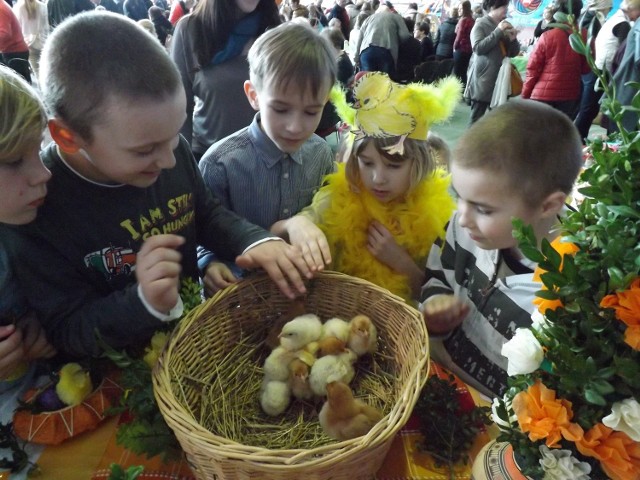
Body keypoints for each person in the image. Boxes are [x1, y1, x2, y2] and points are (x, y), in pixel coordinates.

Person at [0, 12, 312, 359]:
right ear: (68, 136)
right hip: (116, 378)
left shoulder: (169, 150)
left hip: (192, 343)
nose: (167, 160)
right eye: (144, 150)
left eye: (174, 134)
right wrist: (141, 301)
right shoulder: (38, 206)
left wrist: (254, 239)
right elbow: (66, 330)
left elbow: (204, 212)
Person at [421, 100, 583, 398]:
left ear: (548, 205)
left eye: (483, 209)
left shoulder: (574, 287)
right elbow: (438, 278)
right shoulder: (464, 226)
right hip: (443, 378)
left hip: (504, 421)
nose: (463, 216)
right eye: (460, 196)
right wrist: (433, 312)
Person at [272, 73, 461, 302]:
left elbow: (440, 299)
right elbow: (275, 233)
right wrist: (295, 224)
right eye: (367, 163)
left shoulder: (437, 218)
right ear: (355, 159)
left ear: (418, 164)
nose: (378, 178)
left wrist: (401, 263)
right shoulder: (336, 198)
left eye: (393, 165)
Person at [197, 23, 337, 294]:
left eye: (311, 112)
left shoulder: (320, 153)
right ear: (253, 95)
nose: (295, 127)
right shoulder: (220, 164)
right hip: (238, 295)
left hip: (301, 291)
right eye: (281, 109)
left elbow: (327, 207)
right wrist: (208, 263)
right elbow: (199, 230)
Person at [0, 66, 56, 386]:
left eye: (37, 150)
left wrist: (36, 322)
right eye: (14, 161)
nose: (43, 174)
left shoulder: (22, 219)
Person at [171, 0, 281, 162]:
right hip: (207, 157)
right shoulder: (190, 29)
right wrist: (184, 164)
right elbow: (180, 107)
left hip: (265, 160)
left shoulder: (274, 30)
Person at [522, 0, 589, 120]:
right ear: (578, 13)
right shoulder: (584, 35)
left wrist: (525, 94)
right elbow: (586, 69)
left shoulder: (548, 36)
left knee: (539, 134)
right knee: (560, 135)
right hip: (570, 96)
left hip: (542, 96)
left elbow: (533, 69)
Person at [464, 0, 520, 124]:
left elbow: (513, 53)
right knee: (476, 120)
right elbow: (478, 48)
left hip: (499, 80)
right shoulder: (480, 24)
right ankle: (471, 143)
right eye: (503, 7)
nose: (506, 10)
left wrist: (513, 40)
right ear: (493, 7)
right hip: (483, 81)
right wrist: (498, 31)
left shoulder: (504, 24)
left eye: (506, 7)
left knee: (495, 122)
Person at [573, 0, 613, 141]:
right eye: (609, 6)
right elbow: (587, 42)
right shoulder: (593, 17)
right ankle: (578, 139)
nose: (610, 8)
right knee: (588, 107)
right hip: (592, 67)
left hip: (589, 66)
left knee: (587, 107)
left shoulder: (588, 14)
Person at [355, 2, 412, 76]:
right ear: (390, 10)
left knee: (367, 82)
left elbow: (359, 39)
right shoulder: (396, 17)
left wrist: (356, 58)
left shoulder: (369, 18)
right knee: (384, 82)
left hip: (366, 52)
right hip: (385, 51)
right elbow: (405, 35)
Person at [611, 0, 640, 131]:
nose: (628, 15)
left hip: (627, 82)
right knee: (624, 130)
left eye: (629, 11)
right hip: (631, 83)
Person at [12, 0, 48, 79]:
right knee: (46, 71)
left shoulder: (18, 8)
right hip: (43, 43)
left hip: (29, 44)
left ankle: (42, 91)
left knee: (38, 74)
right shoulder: (43, 6)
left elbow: (17, 29)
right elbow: (46, 27)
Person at [0, 0, 31, 84]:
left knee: (18, 88)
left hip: (14, 53)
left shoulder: (1, 8)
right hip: (13, 52)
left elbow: (4, 34)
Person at [453, 0, 474, 88]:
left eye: (461, 9)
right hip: (469, 50)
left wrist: (454, 47)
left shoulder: (463, 20)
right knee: (464, 72)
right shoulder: (472, 20)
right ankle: (463, 91)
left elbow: (459, 35)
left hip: (460, 49)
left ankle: (457, 92)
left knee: (457, 72)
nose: (459, 10)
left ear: (465, 9)